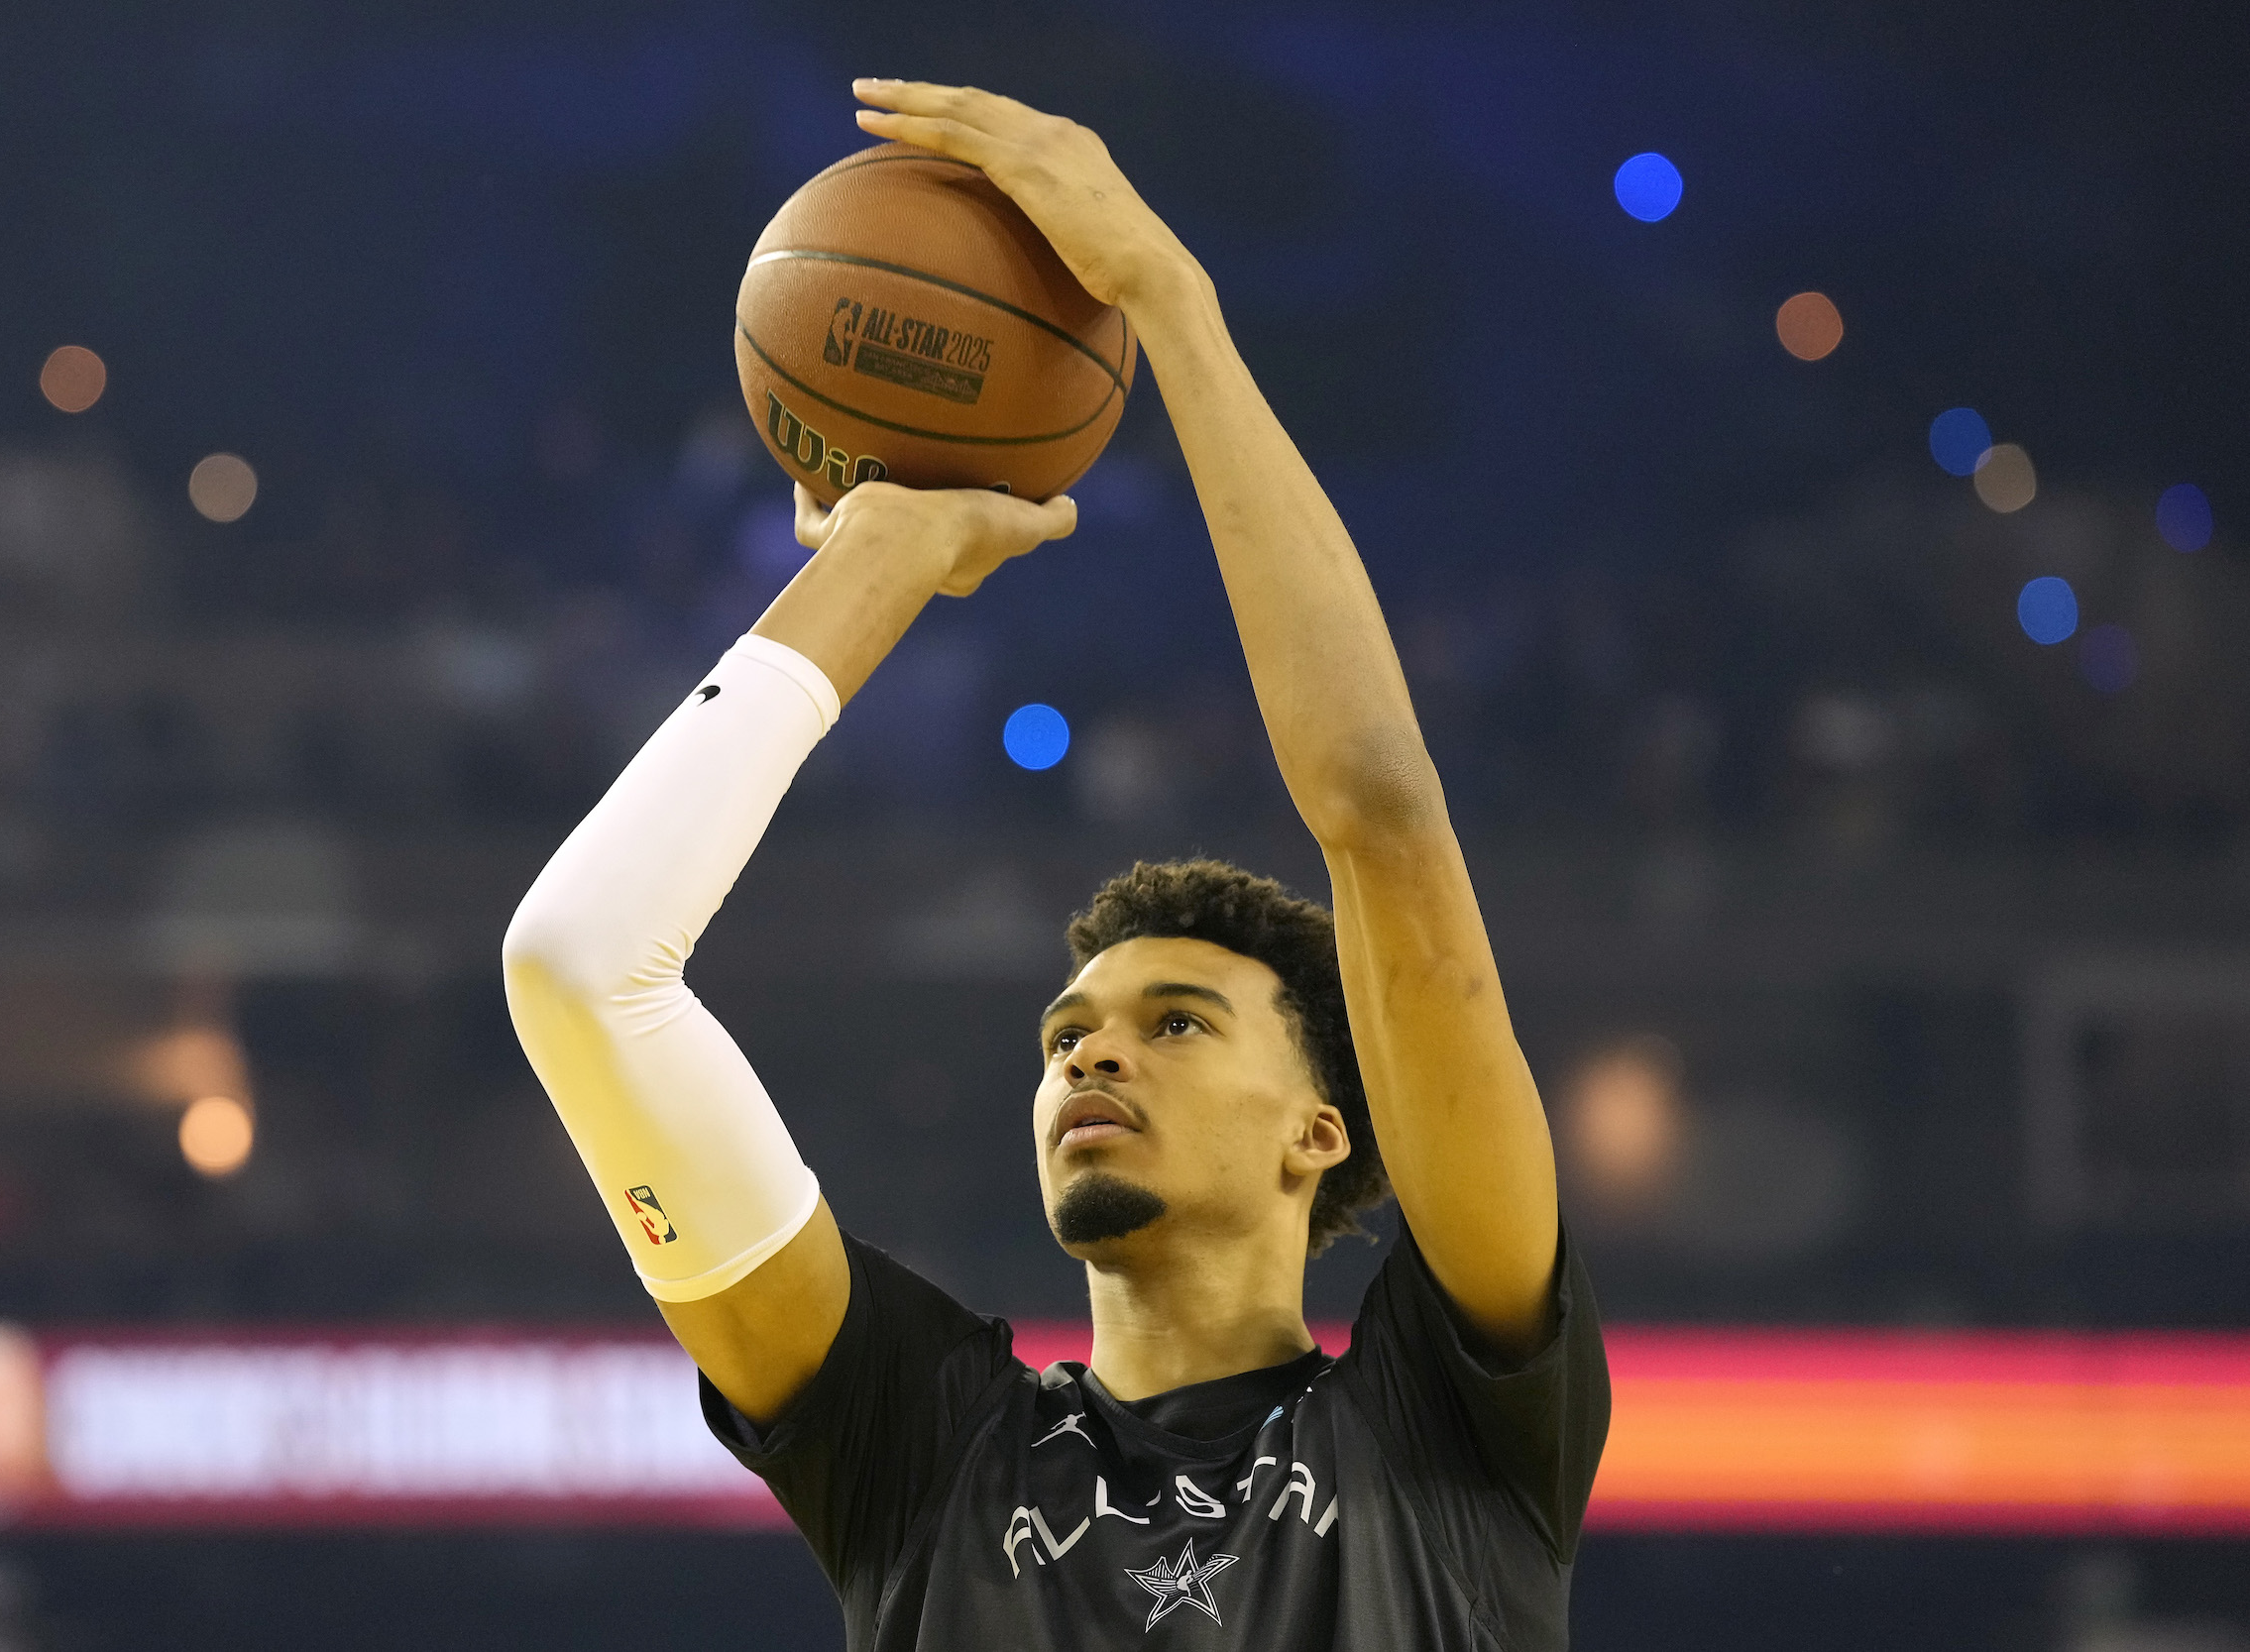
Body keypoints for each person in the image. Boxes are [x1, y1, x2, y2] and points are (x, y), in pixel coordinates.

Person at [504, 81, 1609, 1650]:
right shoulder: (915, 1448)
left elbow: (1379, 812)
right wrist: (883, 557)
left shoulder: (1458, 1423)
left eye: (1178, 1021)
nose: (1091, 1045)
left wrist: (1172, 302)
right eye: (1068, 1033)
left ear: (1322, 1129)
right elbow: (577, 968)